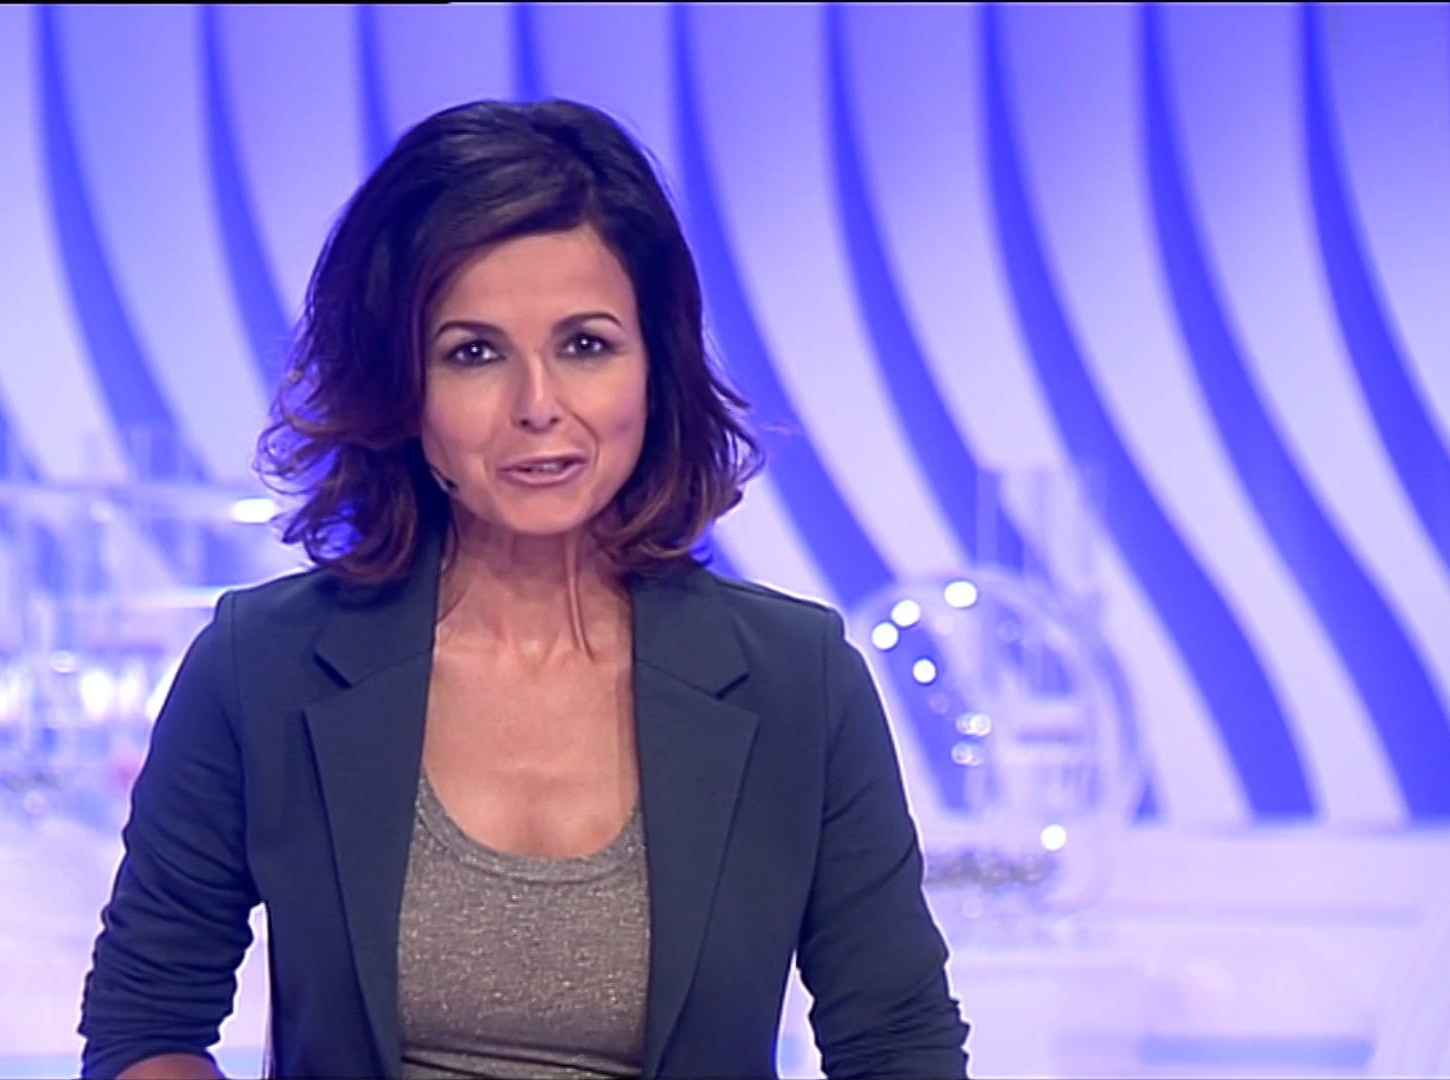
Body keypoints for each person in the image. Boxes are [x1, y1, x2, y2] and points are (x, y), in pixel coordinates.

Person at [78, 98, 969, 1080]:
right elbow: (146, 1023)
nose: (538, 406)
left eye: (586, 345)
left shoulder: (797, 683)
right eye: (475, 353)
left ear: (655, 367)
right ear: (400, 389)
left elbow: (900, 1048)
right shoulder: (263, 667)